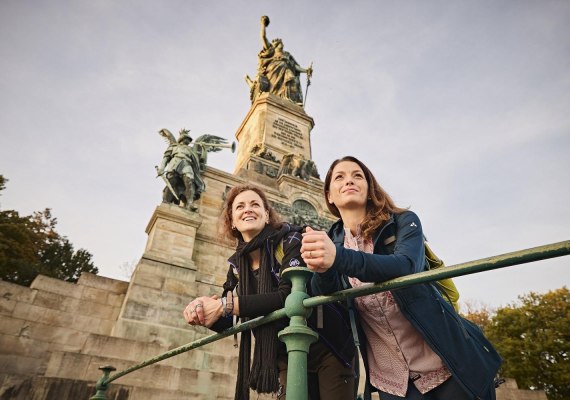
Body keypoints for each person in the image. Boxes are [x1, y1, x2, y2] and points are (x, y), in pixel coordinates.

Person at [301, 156, 502, 400]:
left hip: (448, 365)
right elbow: (329, 296)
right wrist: (321, 269)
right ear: (329, 196)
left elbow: (405, 266)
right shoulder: (329, 242)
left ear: (369, 188)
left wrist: (338, 257)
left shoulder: (403, 221)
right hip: (394, 383)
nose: (349, 181)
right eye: (339, 177)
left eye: (357, 175)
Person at [182, 185, 355, 400]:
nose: (248, 209)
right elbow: (232, 319)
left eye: (255, 204)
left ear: (266, 215)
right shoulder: (236, 267)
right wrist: (203, 313)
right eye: (240, 206)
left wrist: (225, 305)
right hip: (284, 354)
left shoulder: (291, 240)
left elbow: (288, 297)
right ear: (232, 221)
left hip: (328, 348)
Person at [246, 16, 313, 105]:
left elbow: (294, 66)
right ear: (276, 44)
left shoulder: (287, 54)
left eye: (282, 43)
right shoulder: (271, 49)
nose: (282, 44)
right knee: (273, 89)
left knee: (291, 79)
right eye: (280, 43)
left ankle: (291, 101)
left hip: (286, 71)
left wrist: (306, 70)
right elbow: (263, 37)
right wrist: (263, 25)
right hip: (273, 70)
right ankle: (275, 100)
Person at [156, 128, 205, 211]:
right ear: (182, 139)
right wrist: (162, 168)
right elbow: (166, 158)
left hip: (186, 164)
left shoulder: (191, 150)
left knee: (189, 181)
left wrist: (202, 147)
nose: (188, 141)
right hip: (175, 162)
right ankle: (166, 200)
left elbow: (198, 160)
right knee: (172, 181)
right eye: (187, 138)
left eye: (189, 139)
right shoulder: (174, 146)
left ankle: (190, 203)